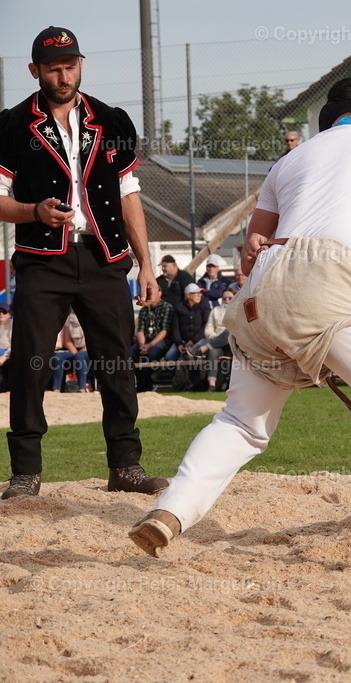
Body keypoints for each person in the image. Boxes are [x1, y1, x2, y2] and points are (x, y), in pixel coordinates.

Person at [129, 74, 351, 585]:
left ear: (328, 120)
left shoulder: (290, 160)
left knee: (240, 422)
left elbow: (256, 240)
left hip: (263, 285)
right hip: (332, 279)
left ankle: (172, 510)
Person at [0, 26, 165, 499]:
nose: (63, 75)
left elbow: (130, 194)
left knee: (116, 363)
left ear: (81, 64)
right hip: (41, 260)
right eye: (53, 67)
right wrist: (34, 211)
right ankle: (26, 473)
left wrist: (146, 265)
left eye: (70, 65)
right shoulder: (10, 126)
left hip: (103, 257)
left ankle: (125, 467)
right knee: (29, 366)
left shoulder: (113, 121)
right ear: (34, 71)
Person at [132, 296, 174, 392]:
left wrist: (149, 346)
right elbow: (140, 330)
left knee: (150, 355)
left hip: (161, 341)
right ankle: (142, 382)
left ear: (159, 293)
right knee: (131, 353)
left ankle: (146, 383)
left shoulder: (167, 307)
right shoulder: (144, 309)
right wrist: (142, 345)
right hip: (145, 341)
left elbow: (165, 331)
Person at [202, 288, 235, 391]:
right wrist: (215, 339)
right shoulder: (215, 310)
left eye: (230, 298)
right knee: (212, 352)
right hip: (217, 343)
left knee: (228, 332)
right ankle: (212, 385)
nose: (227, 300)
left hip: (232, 345)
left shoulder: (238, 310)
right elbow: (209, 328)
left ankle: (204, 348)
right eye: (224, 298)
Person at [51, 313, 89, 392]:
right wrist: (75, 354)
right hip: (73, 350)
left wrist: (78, 355)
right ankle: (56, 388)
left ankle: (82, 388)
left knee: (80, 356)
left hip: (86, 350)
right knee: (58, 357)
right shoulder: (68, 320)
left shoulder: (87, 319)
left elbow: (90, 341)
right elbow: (67, 341)